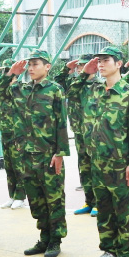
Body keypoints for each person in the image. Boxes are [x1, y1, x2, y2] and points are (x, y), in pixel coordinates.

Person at [0, 49, 69, 257]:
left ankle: (55, 240)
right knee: (36, 199)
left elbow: (61, 123)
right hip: (26, 155)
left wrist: (60, 153)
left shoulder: (55, 90)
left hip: (48, 155)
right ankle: (44, 237)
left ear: (47, 67)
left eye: (36, 64)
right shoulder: (21, 89)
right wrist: (11, 74)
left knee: (53, 199)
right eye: (30, 64)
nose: (31, 68)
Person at [75, 47, 129, 257]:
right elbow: (71, 92)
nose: (101, 64)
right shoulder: (93, 90)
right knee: (103, 209)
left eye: (106, 60)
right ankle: (109, 251)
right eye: (99, 61)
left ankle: (125, 254)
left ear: (119, 64)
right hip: (96, 162)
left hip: (119, 163)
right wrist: (86, 73)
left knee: (122, 210)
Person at [55, 54, 96, 216]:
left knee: (96, 168)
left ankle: (99, 203)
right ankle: (89, 201)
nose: (80, 69)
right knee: (84, 168)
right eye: (79, 66)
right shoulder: (74, 84)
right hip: (78, 131)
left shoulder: (98, 85)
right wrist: (67, 69)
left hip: (94, 133)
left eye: (84, 66)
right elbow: (57, 82)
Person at [0, 58, 27, 210]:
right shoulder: (0, 90)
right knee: (9, 167)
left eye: (10, 71)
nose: (8, 74)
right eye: (6, 71)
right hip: (5, 133)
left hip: (18, 134)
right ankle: (12, 195)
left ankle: (20, 197)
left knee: (19, 167)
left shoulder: (20, 88)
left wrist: (12, 81)